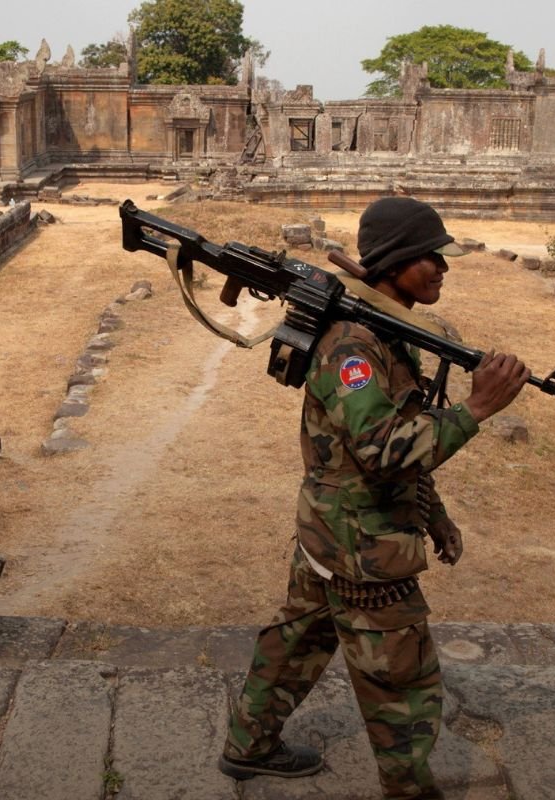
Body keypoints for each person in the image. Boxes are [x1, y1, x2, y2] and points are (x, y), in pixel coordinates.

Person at [218, 196, 531, 799]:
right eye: (431, 257)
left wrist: (435, 516)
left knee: (298, 640)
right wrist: (478, 408)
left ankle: (248, 745)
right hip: (361, 546)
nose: (443, 268)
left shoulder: (387, 329)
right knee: (404, 683)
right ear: (394, 261)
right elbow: (384, 452)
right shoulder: (354, 346)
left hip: (333, 530)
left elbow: (396, 436)